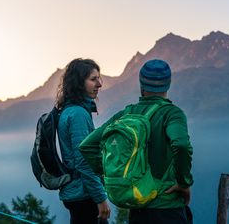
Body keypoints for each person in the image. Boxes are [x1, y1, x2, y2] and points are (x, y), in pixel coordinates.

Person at [80, 59, 194, 224]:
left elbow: (87, 145)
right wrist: (184, 183)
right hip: (167, 208)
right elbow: (181, 145)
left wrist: (114, 174)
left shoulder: (127, 113)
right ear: (168, 85)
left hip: (137, 210)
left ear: (142, 85)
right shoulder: (172, 114)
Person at [56, 58, 110, 223]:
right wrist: (100, 198)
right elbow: (83, 161)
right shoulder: (78, 114)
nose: (99, 84)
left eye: (99, 79)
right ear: (79, 83)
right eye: (93, 79)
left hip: (77, 193)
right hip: (84, 195)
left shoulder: (69, 110)